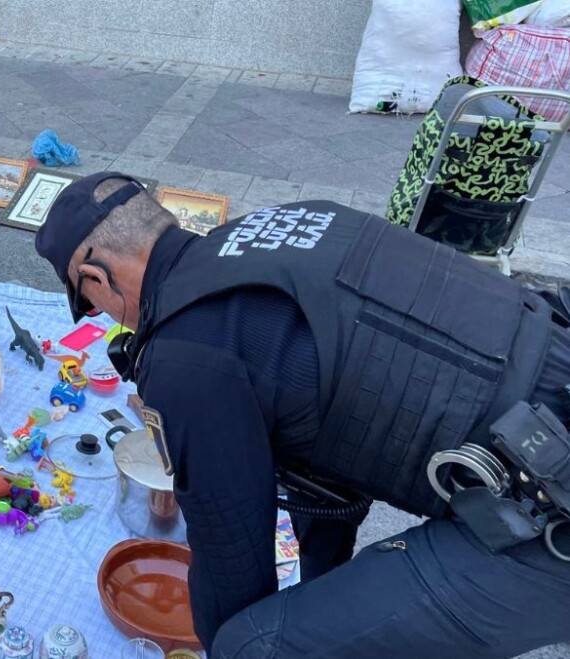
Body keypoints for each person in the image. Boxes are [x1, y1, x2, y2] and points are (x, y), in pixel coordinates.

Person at [34, 171, 570, 658]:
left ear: (95, 274)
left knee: (251, 645)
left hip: (545, 515)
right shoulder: (291, 221)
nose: (103, 317)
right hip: (549, 383)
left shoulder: (185, 354)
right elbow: (323, 464)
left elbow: (231, 559)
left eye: (89, 302)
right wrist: (321, 596)